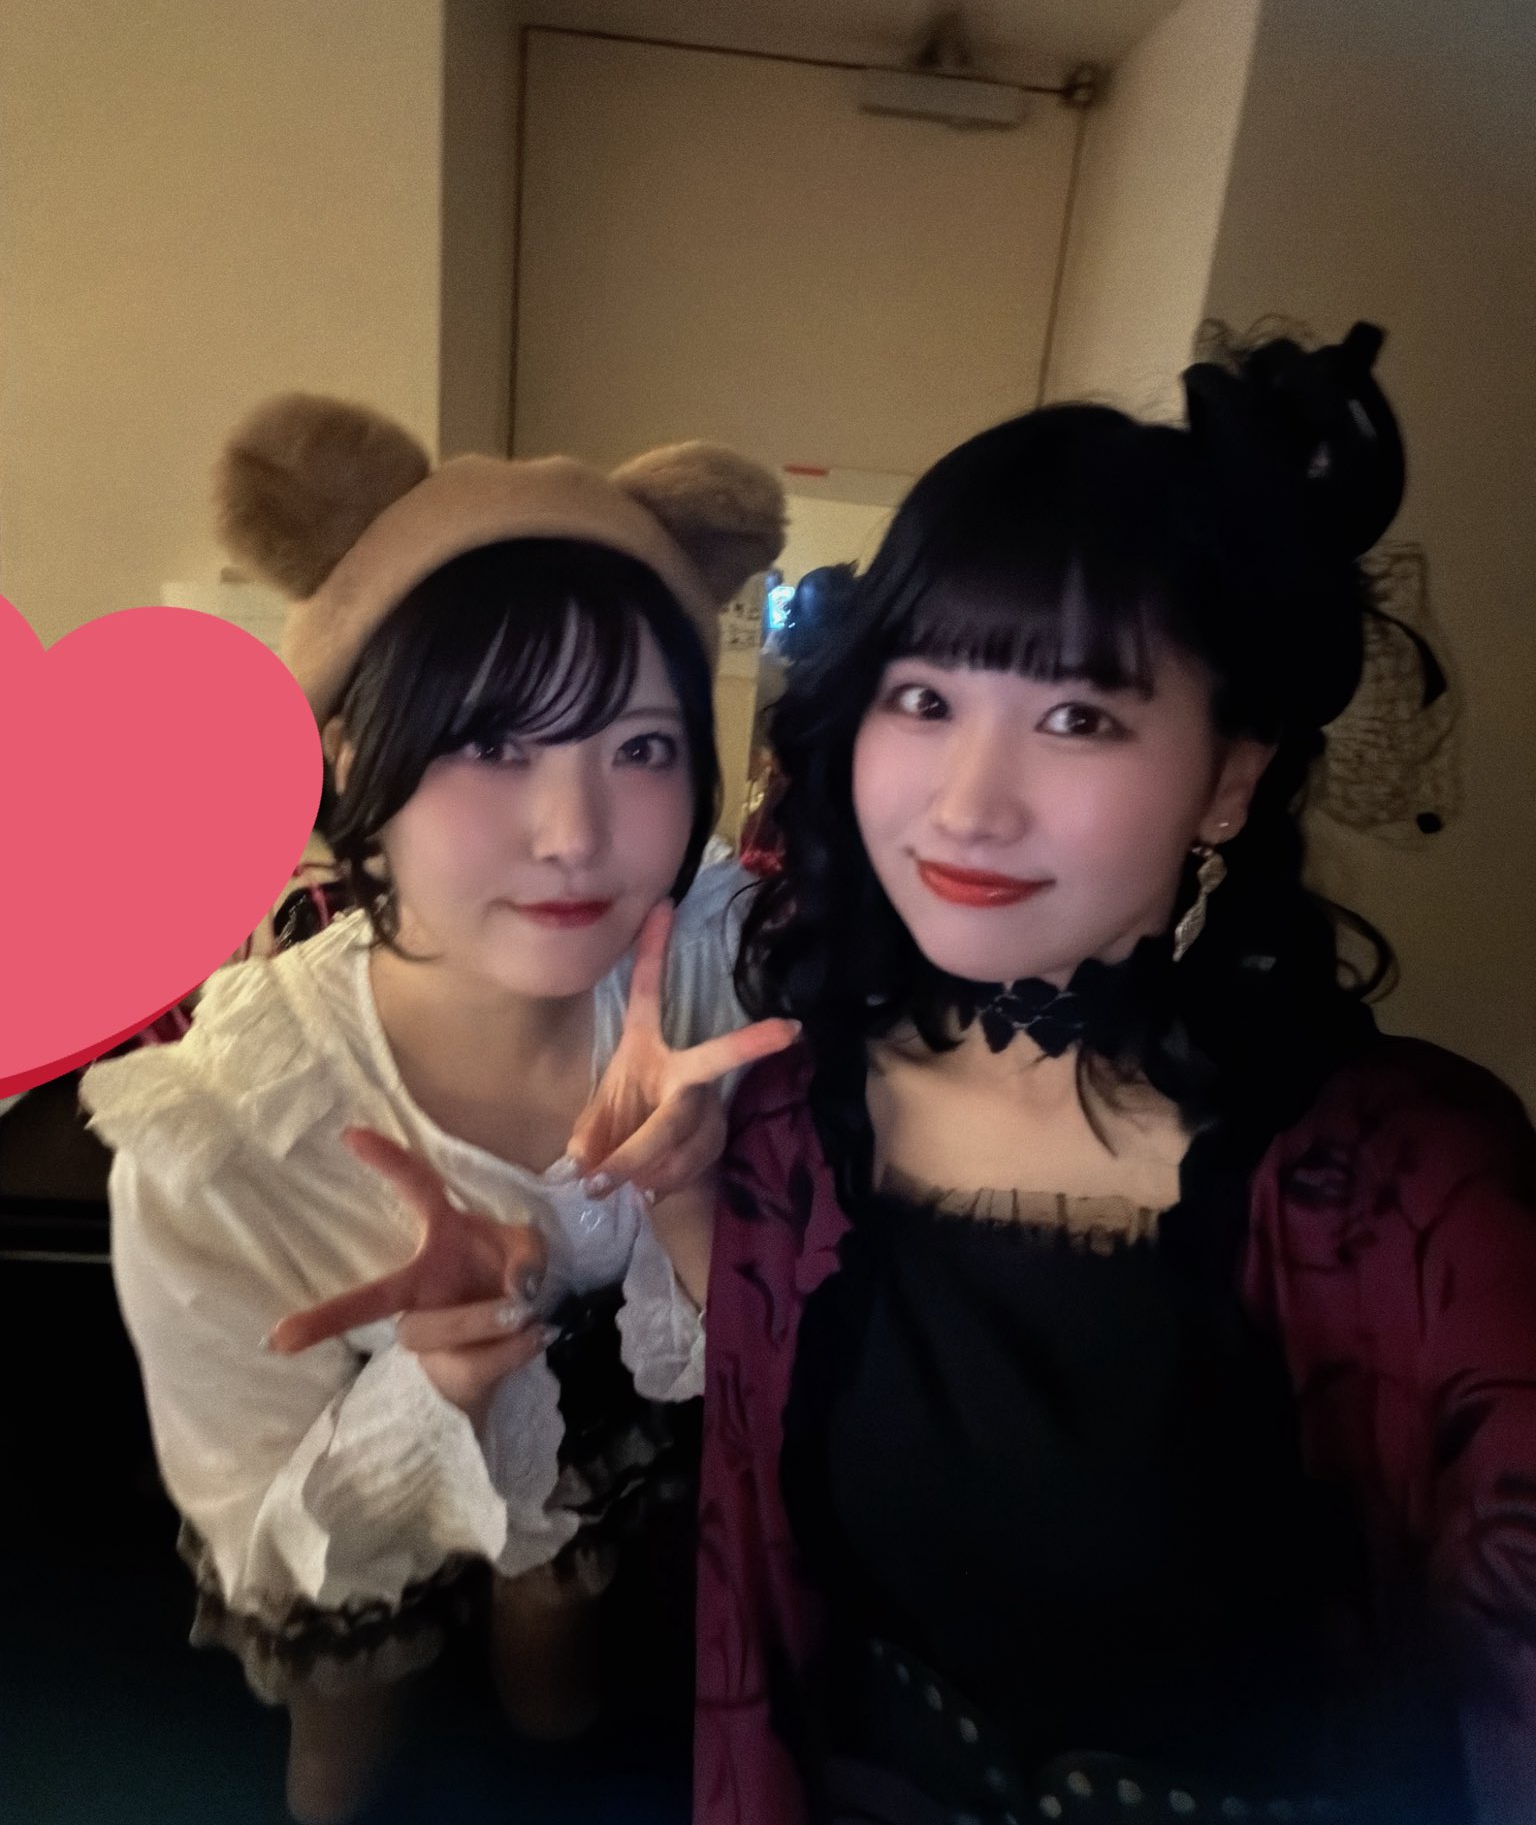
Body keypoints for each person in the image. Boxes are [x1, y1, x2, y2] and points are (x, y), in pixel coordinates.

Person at [697, 326, 1536, 1825]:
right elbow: (755, 1611)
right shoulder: (788, 1120)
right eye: (923, 698)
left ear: (1230, 778)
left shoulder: (1412, 1194)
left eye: (1079, 718)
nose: (968, 805)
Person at [80, 394, 792, 1822]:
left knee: (557, 1695)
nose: (576, 835)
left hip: (592, 1439)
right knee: (344, 1761)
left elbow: (774, 1381)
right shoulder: (232, 1134)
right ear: (354, 757)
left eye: (642, 747)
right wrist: (428, 1384)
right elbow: (264, 1530)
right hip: (346, 1484)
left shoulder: (705, 981)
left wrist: (687, 1194)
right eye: (489, 744)